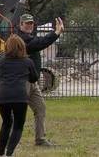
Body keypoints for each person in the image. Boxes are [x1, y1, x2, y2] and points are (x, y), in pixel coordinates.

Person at [14, 14, 64, 147]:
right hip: (22, 81)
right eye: (26, 23)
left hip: (32, 82)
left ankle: (40, 139)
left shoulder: (29, 37)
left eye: (31, 23)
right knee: (18, 111)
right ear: (20, 25)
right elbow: (39, 44)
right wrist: (56, 33)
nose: (29, 25)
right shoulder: (20, 39)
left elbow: (38, 43)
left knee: (40, 108)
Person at [0, 34, 38, 156]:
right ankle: (9, 152)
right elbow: (34, 78)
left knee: (6, 122)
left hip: (2, 97)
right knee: (18, 125)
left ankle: (1, 151)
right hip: (20, 97)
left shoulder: (0, 61)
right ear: (22, 47)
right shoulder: (27, 62)